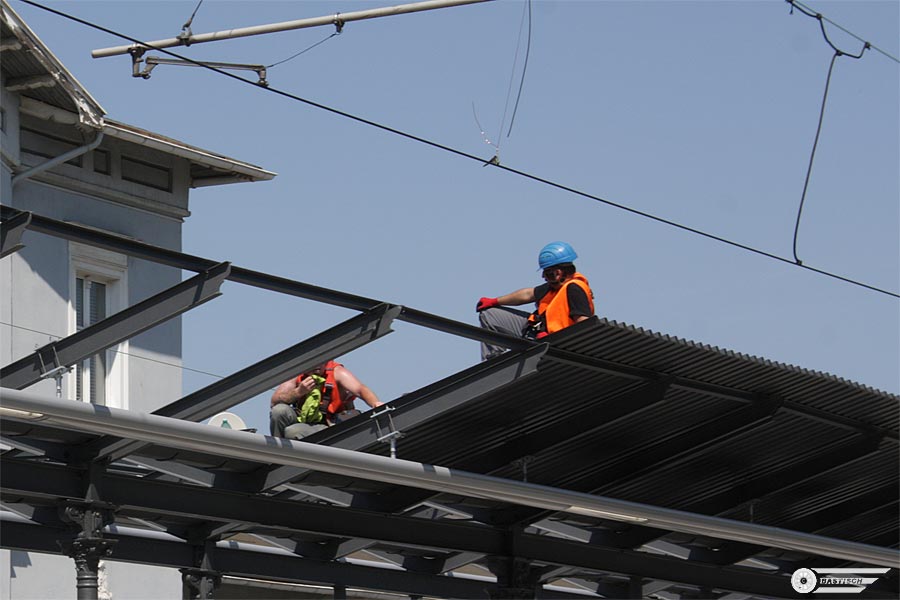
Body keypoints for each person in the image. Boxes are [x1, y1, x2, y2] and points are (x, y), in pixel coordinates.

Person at [475, 241, 595, 360]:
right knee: (490, 315)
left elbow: (583, 322)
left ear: (558, 273)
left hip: (558, 342)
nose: (544, 278)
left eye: (548, 274)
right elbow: (527, 294)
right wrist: (495, 301)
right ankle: (495, 360)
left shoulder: (574, 289)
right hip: (534, 332)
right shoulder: (554, 288)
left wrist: (554, 339)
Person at [270, 360, 383, 440]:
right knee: (279, 411)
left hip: (329, 424)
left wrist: (375, 403)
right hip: (303, 419)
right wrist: (298, 392)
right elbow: (275, 401)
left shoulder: (336, 372)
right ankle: (276, 452)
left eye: (320, 360)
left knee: (293, 431)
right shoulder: (298, 374)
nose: (316, 365)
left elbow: (359, 389)